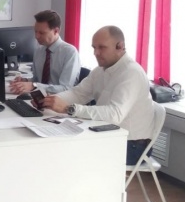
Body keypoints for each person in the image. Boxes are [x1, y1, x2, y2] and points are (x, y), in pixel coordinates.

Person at [40, 25, 154, 165]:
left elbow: (115, 114)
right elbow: (78, 93)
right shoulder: (100, 70)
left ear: (120, 46)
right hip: (107, 134)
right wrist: (51, 101)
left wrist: (69, 108)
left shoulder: (132, 73)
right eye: (94, 48)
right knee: (57, 145)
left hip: (132, 144)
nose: (96, 53)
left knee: (69, 152)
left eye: (102, 47)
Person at [9, 10, 81, 95]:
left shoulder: (70, 52)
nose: (36, 36)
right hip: (39, 97)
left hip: (59, 100)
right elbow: (37, 80)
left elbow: (66, 88)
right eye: (35, 31)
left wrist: (34, 86)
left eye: (42, 33)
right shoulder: (39, 50)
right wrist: (25, 81)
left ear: (56, 31)